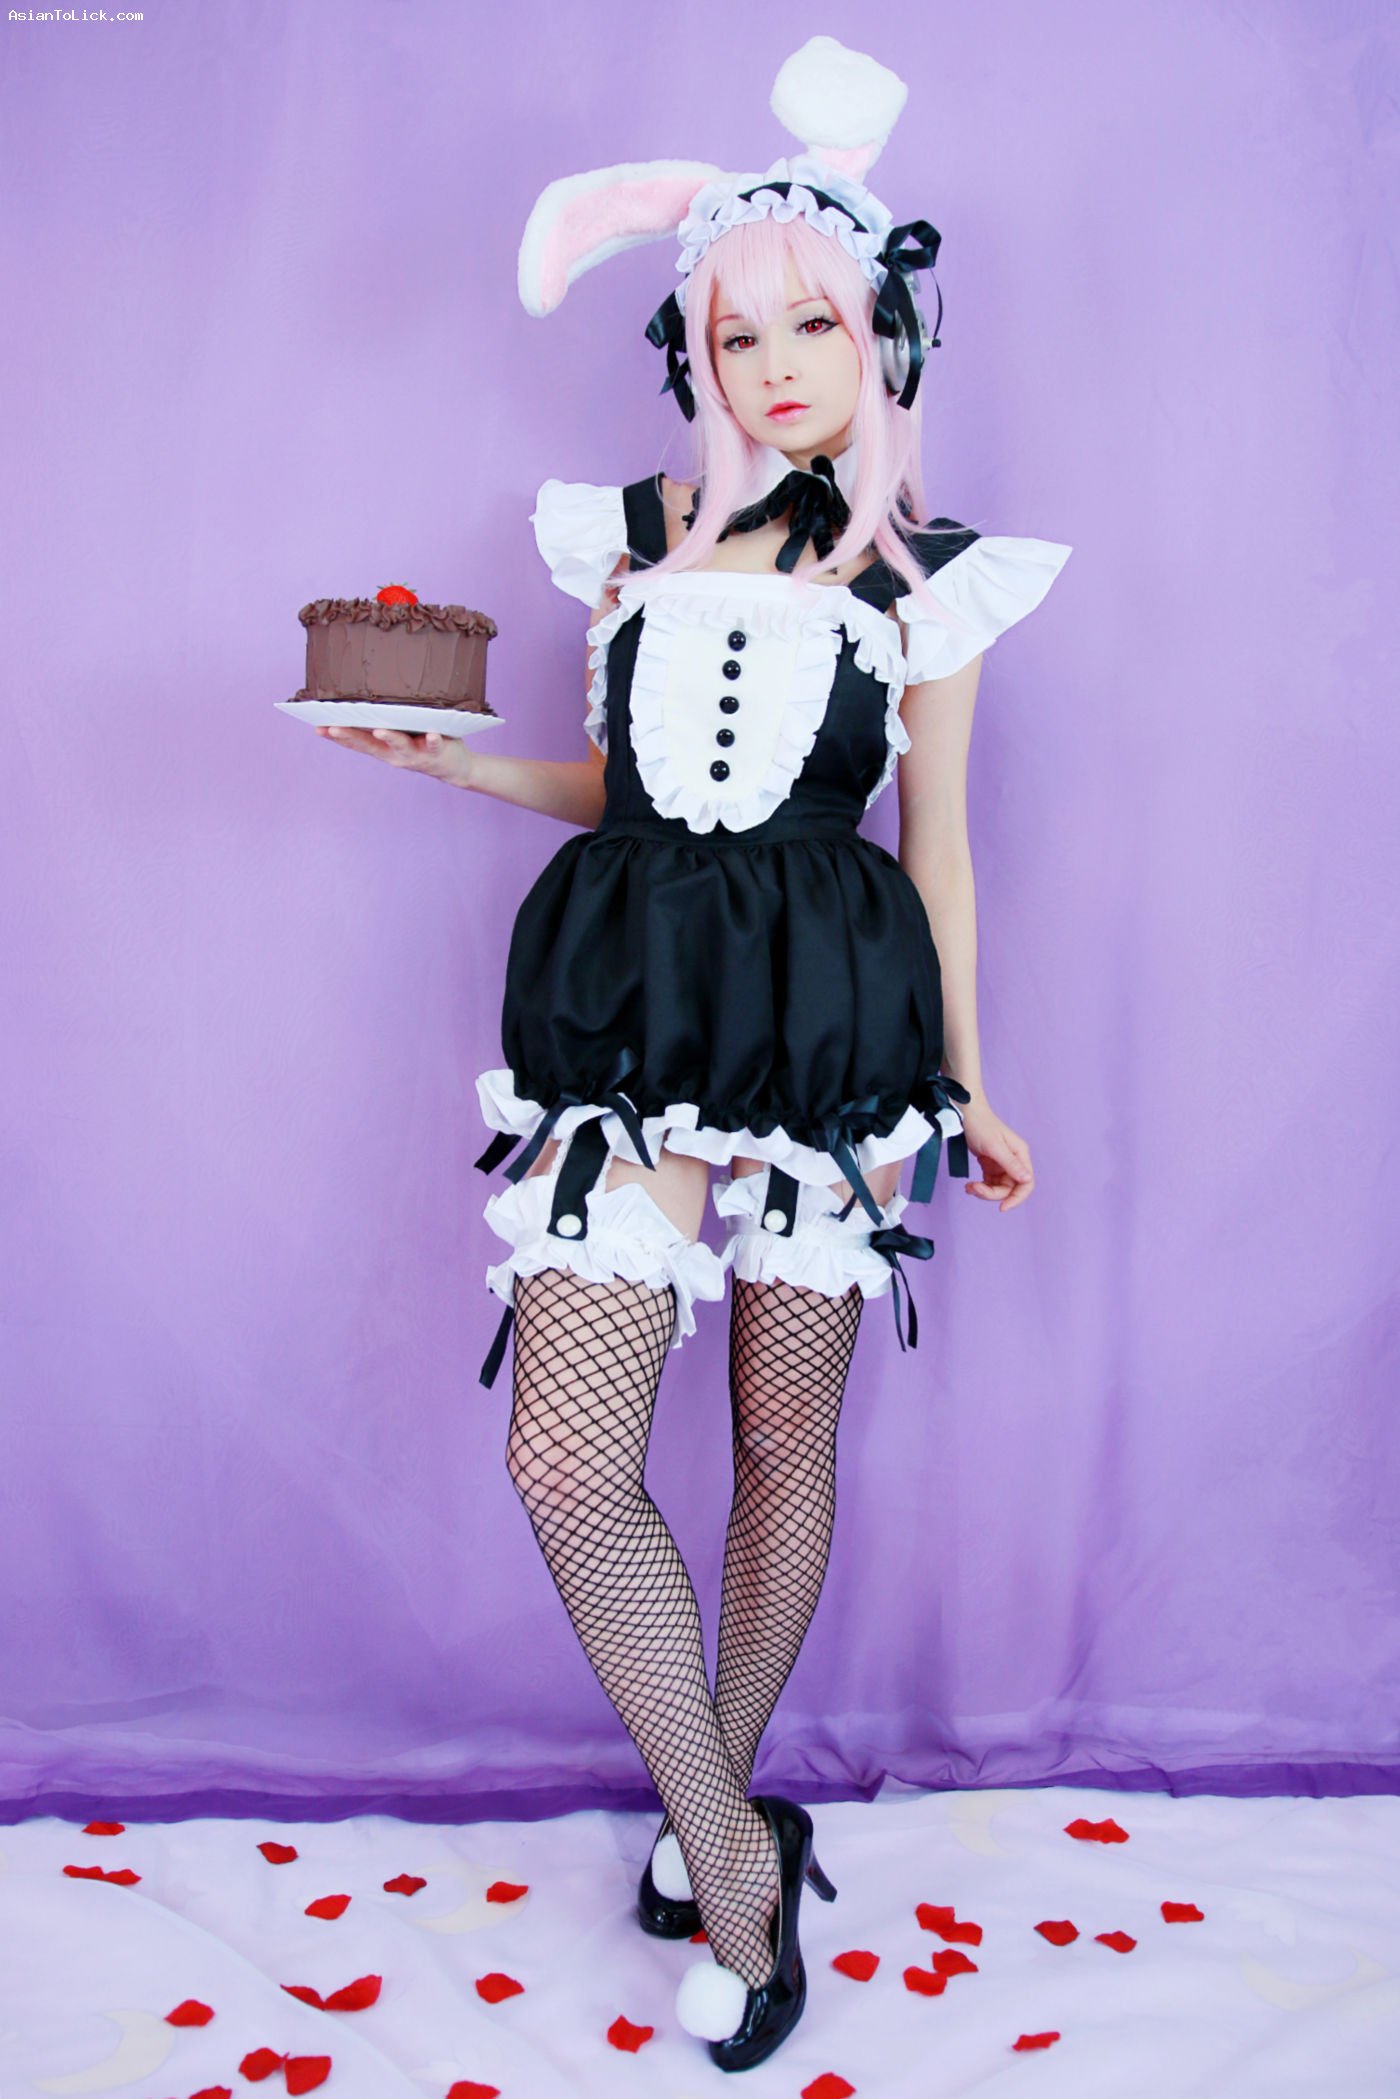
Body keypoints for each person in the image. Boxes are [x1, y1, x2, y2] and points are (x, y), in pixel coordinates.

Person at [316, 35, 1071, 2073]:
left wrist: (969, 1081)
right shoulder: (631, 533)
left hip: (832, 1019)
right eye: (738, 333)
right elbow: (623, 790)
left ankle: (707, 1819)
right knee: (569, 1455)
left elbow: (938, 851)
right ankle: (737, 1855)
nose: (776, 364)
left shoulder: (922, 570)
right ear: (696, 351)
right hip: (630, 997)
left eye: (812, 323)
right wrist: (453, 768)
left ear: (879, 330)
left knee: (777, 1446)